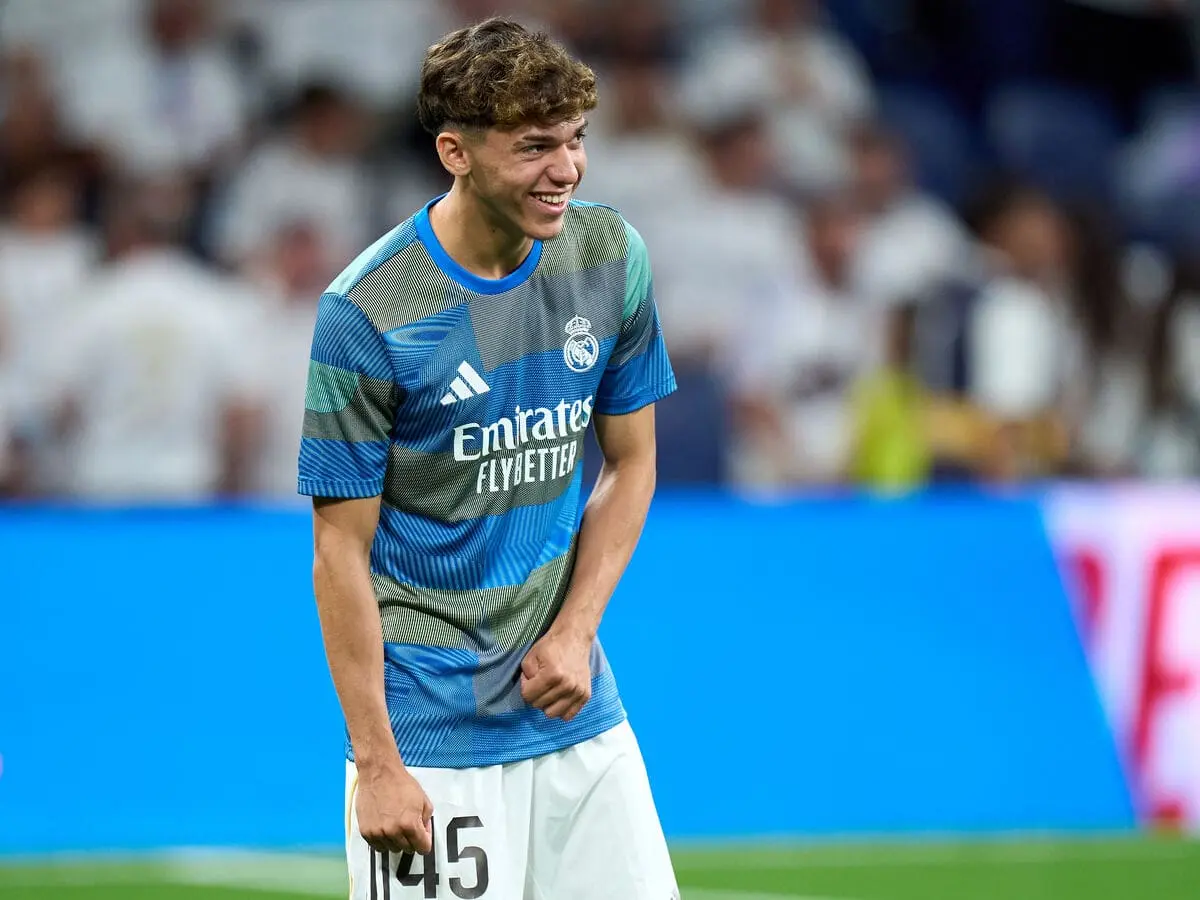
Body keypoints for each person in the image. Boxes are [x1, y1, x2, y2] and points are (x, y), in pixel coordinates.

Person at [296, 18, 678, 900]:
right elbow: (338, 552)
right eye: (535, 146)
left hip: (573, 714)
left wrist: (577, 630)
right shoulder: (369, 312)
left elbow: (632, 464)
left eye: (577, 141)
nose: (567, 171)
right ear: (454, 152)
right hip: (430, 735)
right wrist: (378, 763)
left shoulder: (608, 256)